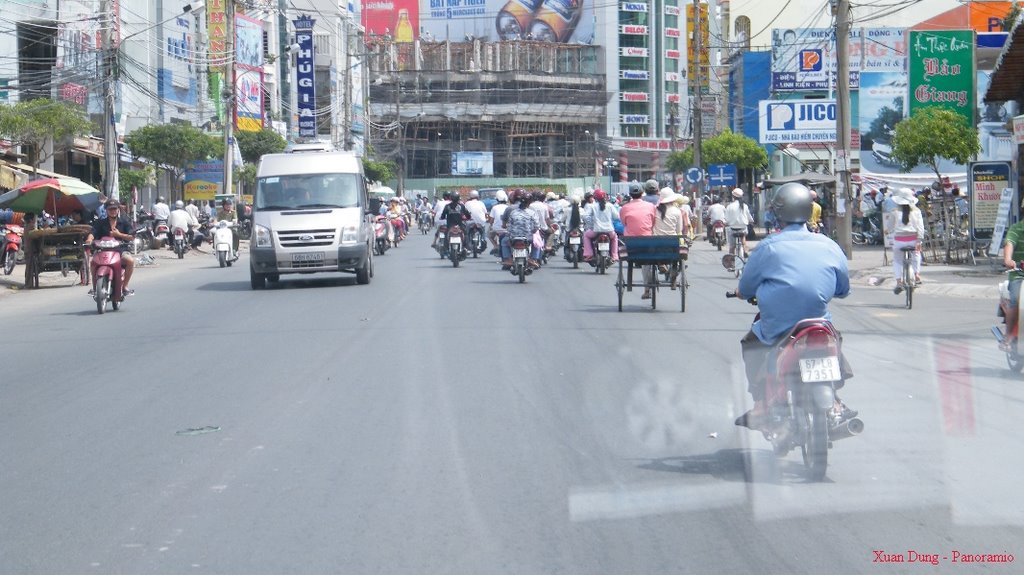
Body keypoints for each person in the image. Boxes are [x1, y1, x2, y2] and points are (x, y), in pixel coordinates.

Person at [734, 183, 855, 429]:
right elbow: (843, 288)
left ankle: (760, 404)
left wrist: (741, 293)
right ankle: (835, 400)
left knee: (751, 344)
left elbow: (746, 288)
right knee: (835, 339)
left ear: (778, 213)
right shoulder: (829, 245)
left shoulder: (769, 246)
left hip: (777, 329)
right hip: (817, 325)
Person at [85, 199, 136, 296]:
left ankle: (125, 286)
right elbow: (93, 233)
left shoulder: (124, 222)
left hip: (120, 251)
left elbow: (131, 236)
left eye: (114, 209)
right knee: (93, 263)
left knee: (130, 261)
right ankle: (95, 287)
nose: (113, 211)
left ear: (118, 210)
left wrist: (119, 234)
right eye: (110, 209)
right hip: (102, 251)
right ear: (106, 210)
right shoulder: (100, 223)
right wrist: (89, 240)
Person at [619, 183, 658, 298]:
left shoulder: (624, 207)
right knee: (646, 262)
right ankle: (647, 288)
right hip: (647, 240)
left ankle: (647, 290)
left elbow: (623, 223)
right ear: (642, 194)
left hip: (631, 243)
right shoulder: (650, 206)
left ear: (630, 194)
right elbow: (653, 222)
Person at [885, 187, 925, 294]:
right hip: (913, 240)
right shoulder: (917, 211)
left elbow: (889, 227)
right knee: (916, 254)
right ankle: (916, 275)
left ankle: (899, 282)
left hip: (899, 241)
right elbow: (920, 227)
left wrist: (887, 231)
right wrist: (919, 239)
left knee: (897, 260)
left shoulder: (894, 212)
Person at [500, 190, 541, 268]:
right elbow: (536, 226)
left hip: (513, 237)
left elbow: (509, 226)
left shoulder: (513, 212)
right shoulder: (532, 212)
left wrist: (509, 234)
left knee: (504, 241)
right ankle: (533, 259)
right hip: (528, 237)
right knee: (537, 243)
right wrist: (534, 231)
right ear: (529, 203)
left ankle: (508, 259)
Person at [1000, 218, 1024, 349]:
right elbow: (1009, 243)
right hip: (1019, 274)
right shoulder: (1017, 229)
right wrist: (1008, 259)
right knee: (1015, 299)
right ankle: (1008, 336)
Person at [654, 188, 685, 290]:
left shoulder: (655, 210)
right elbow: (679, 229)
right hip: (672, 243)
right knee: (676, 258)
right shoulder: (677, 211)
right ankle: (673, 277)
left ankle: (660, 264)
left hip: (657, 243)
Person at [581, 189, 619, 263]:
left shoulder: (593, 206)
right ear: (605, 197)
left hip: (596, 231)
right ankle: (614, 256)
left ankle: (589, 254)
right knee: (615, 237)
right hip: (609, 230)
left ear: (595, 197)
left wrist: (591, 224)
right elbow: (616, 216)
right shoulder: (610, 205)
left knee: (586, 235)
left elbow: (585, 216)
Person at [724, 188, 753, 259]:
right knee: (743, 236)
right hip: (743, 228)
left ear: (733, 197)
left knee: (732, 247)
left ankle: (731, 260)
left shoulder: (729, 206)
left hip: (732, 228)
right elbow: (749, 217)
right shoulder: (744, 206)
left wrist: (726, 223)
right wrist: (751, 221)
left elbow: (726, 219)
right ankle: (745, 249)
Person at [440, 192, 471, 257]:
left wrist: (442, 217)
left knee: (446, 235)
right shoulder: (461, 206)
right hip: (459, 225)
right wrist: (468, 217)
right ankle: (466, 248)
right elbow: (468, 215)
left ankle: (446, 249)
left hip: (450, 226)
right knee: (465, 234)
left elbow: (442, 216)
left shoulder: (447, 206)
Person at [488, 189, 510, 254]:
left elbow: (491, 220)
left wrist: (491, 225)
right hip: (507, 229)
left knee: (489, 235)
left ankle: (495, 246)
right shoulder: (508, 207)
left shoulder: (494, 207)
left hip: (496, 229)